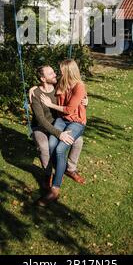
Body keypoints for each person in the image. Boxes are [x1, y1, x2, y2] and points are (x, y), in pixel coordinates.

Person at [38, 58, 87, 205]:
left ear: (69, 71)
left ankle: (55, 189)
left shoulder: (79, 87)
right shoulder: (61, 82)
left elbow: (70, 110)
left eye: (61, 70)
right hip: (61, 120)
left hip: (76, 121)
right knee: (52, 145)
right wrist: (33, 89)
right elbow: (44, 85)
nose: (58, 73)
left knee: (60, 149)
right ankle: (61, 169)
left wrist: (50, 105)